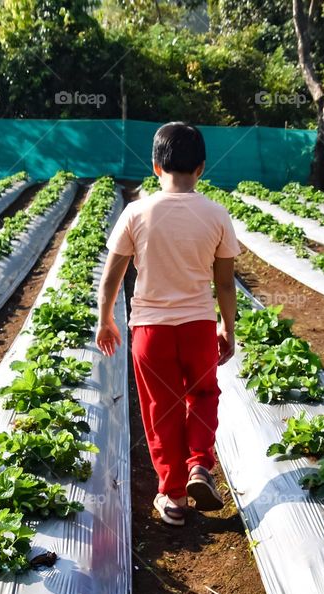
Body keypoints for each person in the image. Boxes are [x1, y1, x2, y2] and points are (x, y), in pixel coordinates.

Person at [96, 121, 240, 526]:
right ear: (202, 168)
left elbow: (112, 276)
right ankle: (199, 465)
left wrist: (105, 318)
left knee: (161, 409)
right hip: (197, 325)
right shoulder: (216, 214)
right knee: (204, 395)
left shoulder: (136, 212)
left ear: (156, 167)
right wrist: (227, 327)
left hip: (150, 329)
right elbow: (225, 282)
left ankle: (173, 496)